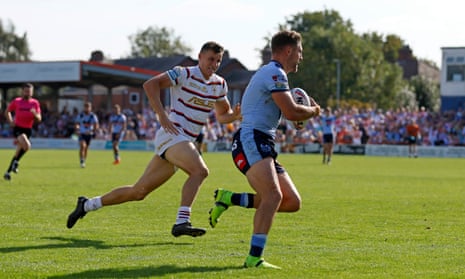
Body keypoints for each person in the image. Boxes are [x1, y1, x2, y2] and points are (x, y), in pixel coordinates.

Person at [66, 41, 241, 238]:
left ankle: (87, 204)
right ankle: (182, 221)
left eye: (218, 61)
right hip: (173, 134)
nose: (214, 64)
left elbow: (222, 115)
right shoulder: (184, 73)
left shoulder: (220, 84)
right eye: (210, 59)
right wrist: (162, 115)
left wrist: (235, 116)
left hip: (184, 141)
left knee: (138, 192)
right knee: (200, 171)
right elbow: (151, 84)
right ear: (199, 56)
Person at [208, 30, 320, 269]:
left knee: (290, 201)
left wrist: (301, 115)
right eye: (299, 51)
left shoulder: (275, 75)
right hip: (252, 139)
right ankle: (253, 259)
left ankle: (229, 198)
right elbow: (291, 112)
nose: (301, 57)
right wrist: (313, 111)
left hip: (261, 142)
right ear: (288, 50)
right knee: (273, 196)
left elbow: (290, 114)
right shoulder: (274, 73)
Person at [3, 83, 42, 181]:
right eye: (26, 91)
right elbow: (7, 111)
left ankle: (8, 172)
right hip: (18, 128)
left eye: (29, 92)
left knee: (18, 152)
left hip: (28, 129)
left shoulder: (35, 103)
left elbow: (39, 119)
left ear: (32, 93)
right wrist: (11, 121)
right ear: (22, 91)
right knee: (27, 146)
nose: (28, 93)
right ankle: (15, 163)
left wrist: (35, 114)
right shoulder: (17, 101)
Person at [74, 102, 99, 168]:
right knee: (82, 146)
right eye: (86, 107)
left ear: (90, 108)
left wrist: (91, 131)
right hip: (82, 133)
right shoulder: (81, 115)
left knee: (86, 148)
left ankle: (84, 160)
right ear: (84, 108)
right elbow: (77, 123)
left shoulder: (93, 116)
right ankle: (82, 161)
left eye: (88, 107)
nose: (87, 108)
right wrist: (77, 128)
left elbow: (96, 125)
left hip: (89, 134)